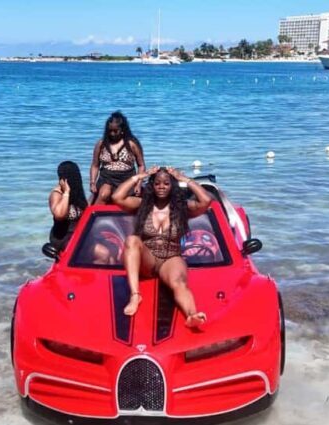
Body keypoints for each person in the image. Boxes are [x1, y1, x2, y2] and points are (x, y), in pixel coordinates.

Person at [112, 166, 214, 328]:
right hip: (147, 259)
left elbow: (206, 200)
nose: (161, 187)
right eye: (157, 183)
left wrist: (184, 179)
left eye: (166, 183)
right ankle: (135, 295)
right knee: (132, 240)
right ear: (152, 186)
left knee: (179, 283)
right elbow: (117, 197)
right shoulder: (142, 205)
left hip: (171, 258)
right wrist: (139, 176)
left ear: (172, 186)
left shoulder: (182, 208)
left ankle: (192, 315)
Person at [90, 111, 146, 205]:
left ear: (122, 129)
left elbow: (141, 165)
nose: (112, 134)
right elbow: (95, 165)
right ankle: (95, 212)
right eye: (110, 131)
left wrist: (138, 184)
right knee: (104, 194)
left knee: (119, 196)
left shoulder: (131, 144)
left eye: (115, 131)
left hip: (127, 178)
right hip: (106, 178)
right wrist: (92, 183)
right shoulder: (101, 144)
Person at [49, 161, 88, 251]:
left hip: (78, 235)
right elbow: (59, 215)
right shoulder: (57, 194)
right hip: (63, 237)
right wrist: (66, 193)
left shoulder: (77, 193)